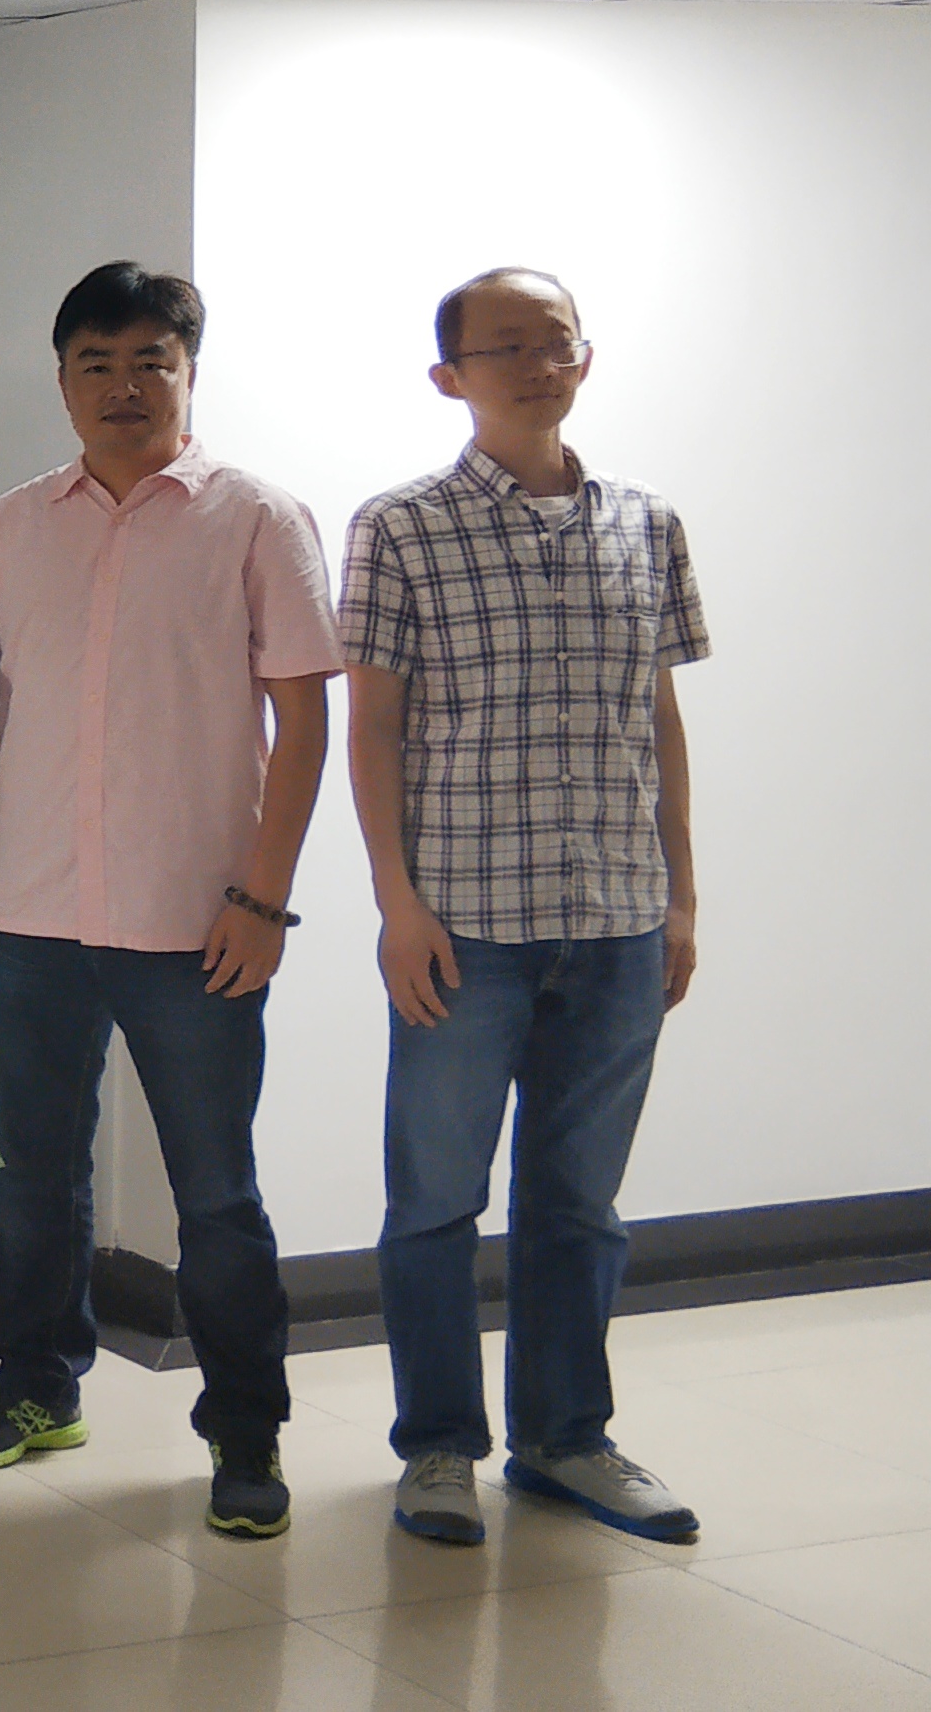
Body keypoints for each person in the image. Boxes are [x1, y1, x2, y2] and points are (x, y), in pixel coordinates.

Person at [0, 263, 334, 1539]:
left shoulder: (256, 519)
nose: (122, 387)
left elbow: (303, 720)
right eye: (95, 364)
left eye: (149, 362)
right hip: (35, 911)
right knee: (36, 1174)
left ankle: (243, 1426)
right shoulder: (7, 530)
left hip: (195, 922)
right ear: (61, 381)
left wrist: (263, 899)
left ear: (187, 372)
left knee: (214, 1190)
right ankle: (37, 1380)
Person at [342, 268, 708, 1549]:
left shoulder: (646, 523)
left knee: (578, 1205)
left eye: (556, 342)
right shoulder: (401, 526)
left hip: (615, 919)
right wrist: (395, 903)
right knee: (434, 1201)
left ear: (583, 358)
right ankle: (438, 1449)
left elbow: (658, 719)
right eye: (506, 348)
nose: (538, 365)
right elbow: (372, 727)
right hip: (464, 924)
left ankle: (565, 1441)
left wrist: (679, 899)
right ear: (449, 376)